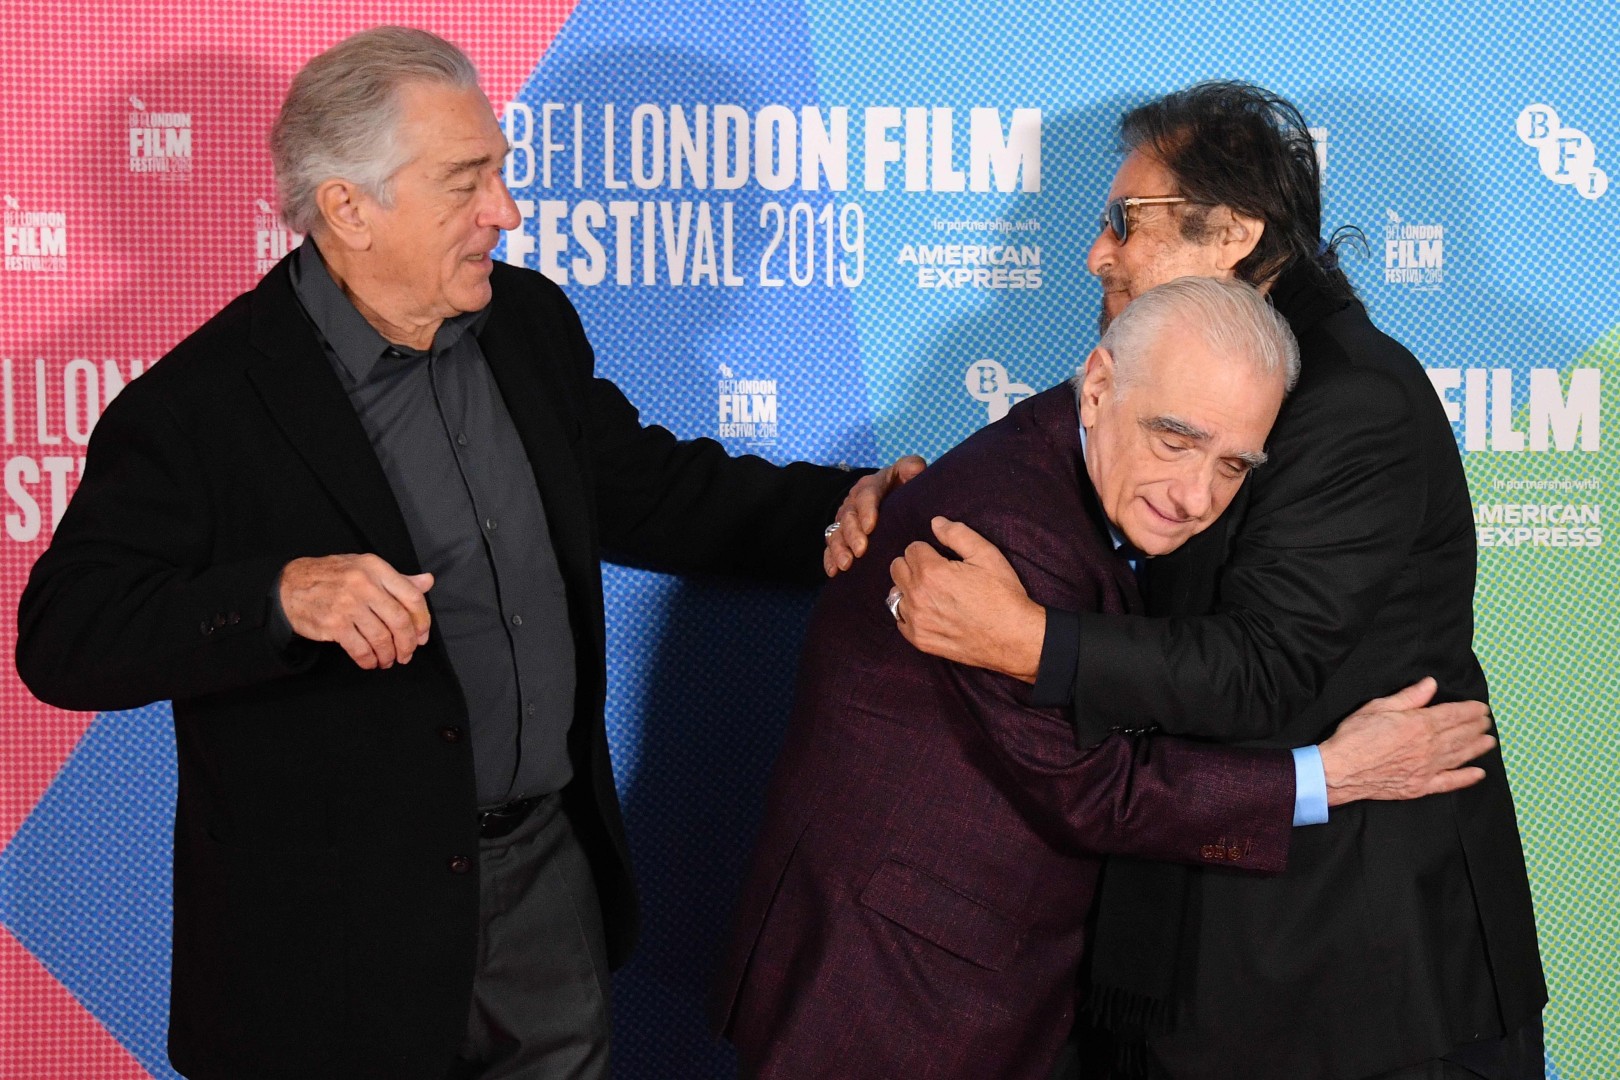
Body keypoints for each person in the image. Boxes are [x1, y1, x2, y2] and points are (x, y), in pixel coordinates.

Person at [13, 27, 916, 1080]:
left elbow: (647, 489)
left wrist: (842, 508)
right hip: (331, 952)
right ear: (349, 207)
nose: (507, 211)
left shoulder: (526, 323)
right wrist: (277, 596)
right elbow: (65, 635)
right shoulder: (200, 407)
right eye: (465, 181)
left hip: (544, 888)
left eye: (498, 171)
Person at [827, 83, 1545, 1079]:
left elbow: (1263, 666)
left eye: (1128, 221)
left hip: (1350, 988)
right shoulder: (1189, 359)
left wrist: (1027, 641)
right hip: (1197, 954)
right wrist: (895, 498)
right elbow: (1054, 457)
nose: (1097, 252)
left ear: (1236, 231)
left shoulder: (1351, 398)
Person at [713, 276, 1497, 1080]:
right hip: (896, 991)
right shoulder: (1007, 537)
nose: (1197, 496)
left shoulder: (1088, 479)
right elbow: (1095, 792)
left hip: (979, 971)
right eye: (1175, 439)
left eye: (1232, 465)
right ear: (1096, 387)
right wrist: (1330, 774)